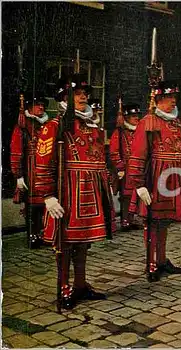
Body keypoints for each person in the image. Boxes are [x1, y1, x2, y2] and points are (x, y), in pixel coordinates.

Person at [36, 74, 114, 309]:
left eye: (85, 93)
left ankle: (80, 284)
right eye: (78, 93)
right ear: (64, 97)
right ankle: (64, 286)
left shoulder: (92, 125)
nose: (84, 97)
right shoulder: (55, 125)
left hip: (91, 189)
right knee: (66, 241)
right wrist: (48, 195)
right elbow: (43, 161)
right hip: (69, 190)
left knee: (84, 241)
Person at [126, 81, 181, 282]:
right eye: (168, 98)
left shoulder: (176, 123)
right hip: (155, 176)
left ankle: (161, 259)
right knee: (152, 222)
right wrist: (139, 183)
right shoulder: (148, 122)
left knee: (164, 221)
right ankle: (151, 262)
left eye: (173, 98)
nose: (173, 101)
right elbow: (138, 152)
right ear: (158, 101)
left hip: (172, 177)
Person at [11, 91, 50, 248]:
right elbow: (16, 151)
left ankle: (43, 233)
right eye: (37, 105)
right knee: (32, 206)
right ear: (29, 107)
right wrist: (18, 175)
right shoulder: (22, 126)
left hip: (45, 170)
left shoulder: (46, 125)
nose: (40, 107)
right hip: (30, 171)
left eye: (42, 105)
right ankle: (32, 235)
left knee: (45, 204)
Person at [109, 103, 143, 231]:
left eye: (137, 116)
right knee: (126, 196)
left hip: (138, 168)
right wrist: (119, 167)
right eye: (133, 116)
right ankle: (125, 220)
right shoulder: (119, 133)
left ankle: (133, 218)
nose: (136, 118)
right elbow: (114, 151)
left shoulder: (140, 132)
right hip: (126, 170)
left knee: (137, 194)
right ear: (126, 118)